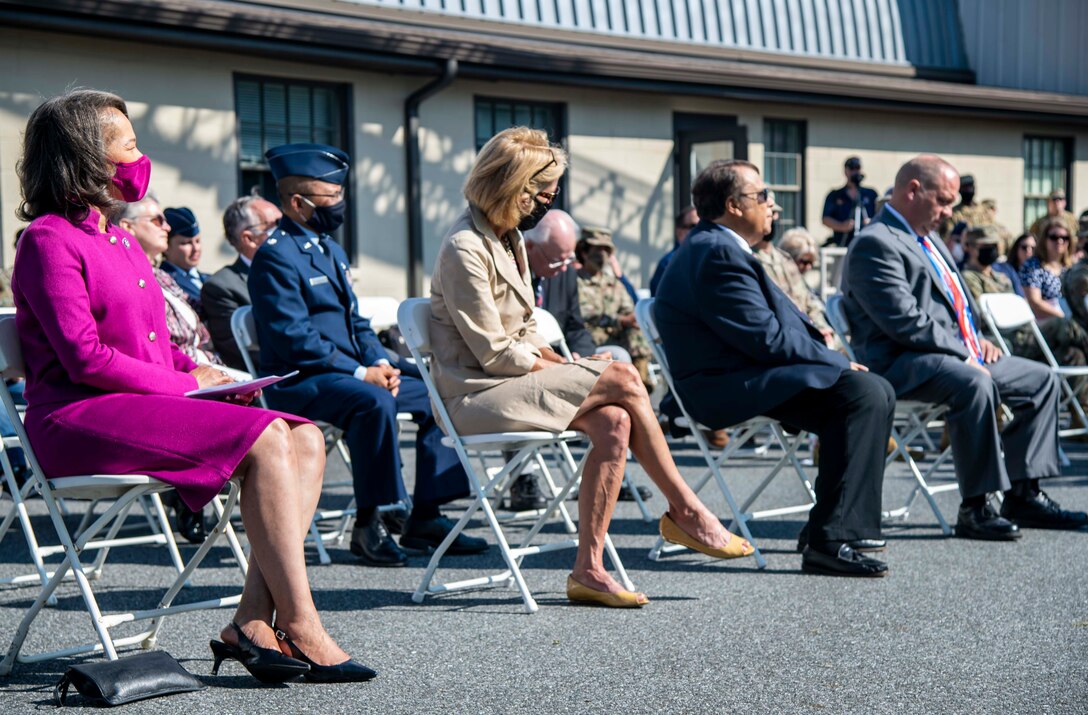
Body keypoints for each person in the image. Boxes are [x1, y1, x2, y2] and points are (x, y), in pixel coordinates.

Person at [12, 88, 372, 683]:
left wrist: (203, 375)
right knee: (265, 440)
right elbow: (84, 358)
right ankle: (302, 623)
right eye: (127, 146)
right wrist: (180, 388)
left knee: (304, 438)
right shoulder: (49, 240)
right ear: (84, 157)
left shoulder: (121, 239)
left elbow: (151, 345)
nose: (138, 157)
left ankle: (252, 620)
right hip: (76, 420)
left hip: (135, 403)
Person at [430, 126, 753, 608]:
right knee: (622, 376)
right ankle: (688, 511)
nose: (550, 198)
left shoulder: (509, 238)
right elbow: (495, 354)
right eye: (543, 191)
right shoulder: (466, 247)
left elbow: (524, 332)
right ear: (511, 187)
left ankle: (589, 569)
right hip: (473, 396)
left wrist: (568, 363)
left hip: (508, 384)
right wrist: (570, 366)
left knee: (615, 420)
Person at [248, 142, 484, 567]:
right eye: (331, 197)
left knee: (438, 392)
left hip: (347, 374)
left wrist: (379, 361)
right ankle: (370, 521)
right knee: (372, 401)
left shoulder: (328, 250)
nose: (339, 204)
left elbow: (355, 323)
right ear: (298, 202)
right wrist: (361, 373)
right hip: (299, 381)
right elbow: (293, 337)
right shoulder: (276, 256)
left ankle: (426, 514)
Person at [655, 159, 893, 577]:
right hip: (723, 387)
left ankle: (835, 525)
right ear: (733, 205)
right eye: (762, 195)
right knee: (862, 393)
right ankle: (829, 538)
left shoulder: (719, 246)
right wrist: (836, 361)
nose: (773, 204)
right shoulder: (715, 253)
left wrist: (832, 361)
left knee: (870, 389)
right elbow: (765, 338)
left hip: (745, 372)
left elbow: (767, 334)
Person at [841, 154, 1087, 540]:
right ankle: (976, 506)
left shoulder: (929, 238)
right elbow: (905, 322)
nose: (950, 211)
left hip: (952, 354)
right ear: (913, 190)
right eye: (944, 200)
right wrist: (965, 352)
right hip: (901, 363)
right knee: (973, 383)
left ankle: (1023, 493)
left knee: (1042, 380)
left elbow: (958, 305)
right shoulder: (876, 243)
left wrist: (979, 340)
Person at [118, 195, 225, 368]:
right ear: (128, 227)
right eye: (157, 221)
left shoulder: (162, 277)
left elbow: (198, 332)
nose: (167, 227)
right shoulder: (125, 278)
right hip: (181, 373)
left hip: (204, 364)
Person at [202, 196, 282, 371]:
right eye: (276, 225)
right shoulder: (221, 287)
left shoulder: (295, 272)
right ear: (249, 238)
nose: (285, 232)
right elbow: (243, 353)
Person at [575, 227, 654, 390]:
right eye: (598, 249)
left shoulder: (613, 283)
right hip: (589, 338)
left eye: (607, 250)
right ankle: (635, 386)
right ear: (584, 252)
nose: (603, 255)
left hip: (617, 337)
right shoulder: (575, 281)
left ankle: (640, 382)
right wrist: (620, 320)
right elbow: (584, 314)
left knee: (636, 332)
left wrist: (631, 319)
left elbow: (628, 307)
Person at [753, 225, 837, 349]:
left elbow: (810, 303)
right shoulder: (756, 260)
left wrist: (822, 328)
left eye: (811, 263)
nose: (808, 267)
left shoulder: (784, 260)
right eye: (804, 262)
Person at [1020, 216, 1074, 322]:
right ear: (1044, 240)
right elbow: (1035, 302)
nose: (1059, 241)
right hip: (1045, 322)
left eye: (1064, 238)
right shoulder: (1033, 266)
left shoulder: (1071, 267)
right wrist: (1063, 318)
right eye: (1054, 237)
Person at [161, 206, 210, 312]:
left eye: (197, 241)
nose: (195, 249)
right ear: (166, 246)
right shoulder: (164, 280)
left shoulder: (209, 279)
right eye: (186, 243)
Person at [822, 156, 878, 246]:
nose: (855, 171)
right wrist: (841, 226)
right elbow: (825, 218)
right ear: (845, 171)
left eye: (857, 168)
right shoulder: (835, 195)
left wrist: (871, 222)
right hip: (843, 244)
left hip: (867, 244)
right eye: (852, 168)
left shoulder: (870, 194)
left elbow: (881, 214)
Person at [650, 206, 697, 296]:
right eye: (693, 226)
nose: (700, 230)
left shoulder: (708, 256)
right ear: (679, 231)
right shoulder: (669, 262)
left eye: (703, 225)